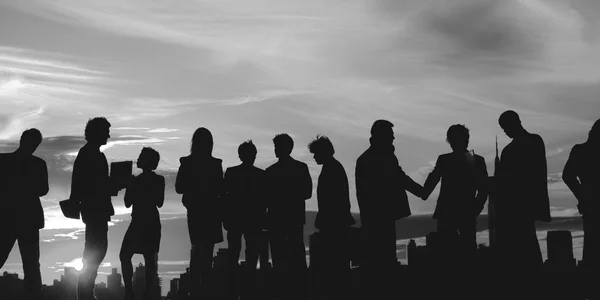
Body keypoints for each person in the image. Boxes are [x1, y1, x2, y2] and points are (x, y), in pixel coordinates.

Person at [355, 119, 424, 297]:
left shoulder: (372, 158)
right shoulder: (379, 158)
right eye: (390, 134)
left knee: (381, 260)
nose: (394, 138)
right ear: (381, 136)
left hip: (377, 218)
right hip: (380, 218)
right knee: (382, 261)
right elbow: (399, 178)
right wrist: (421, 192)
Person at [71, 117, 124, 300]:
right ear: (98, 132)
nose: (109, 135)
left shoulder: (88, 153)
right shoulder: (92, 155)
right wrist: (116, 183)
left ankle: (86, 292)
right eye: (106, 131)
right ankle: (85, 293)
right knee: (96, 250)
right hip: (95, 208)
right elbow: (96, 185)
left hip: (92, 208)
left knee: (95, 249)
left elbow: (83, 183)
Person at [421, 124, 489, 264]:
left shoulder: (445, 160)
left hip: (448, 212)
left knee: (447, 254)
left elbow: (431, 183)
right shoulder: (477, 160)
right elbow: (483, 189)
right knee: (467, 252)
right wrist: (475, 209)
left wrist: (421, 191)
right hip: (465, 212)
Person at [495, 110, 550, 271]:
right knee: (528, 242)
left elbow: (504, 181)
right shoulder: (535, 141)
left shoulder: (511, 150)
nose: (505, 131)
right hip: (529, 202)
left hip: (516, 205)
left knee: (522, 245)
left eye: (505, 127)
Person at [175, 127, 224, 298]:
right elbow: (221, 189)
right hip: (209, 211)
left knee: (197, 249)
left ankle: (197, 288)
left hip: (197, 211)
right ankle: (203, 288)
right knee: (205, 251)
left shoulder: (188, 163)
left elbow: (179, 187)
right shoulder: (215, 164)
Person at [0, 129, 48, 300]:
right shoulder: (38, 164)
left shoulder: (4, 161)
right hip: (23, 219)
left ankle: (34, 294)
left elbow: (43, 189)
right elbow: (43, 189)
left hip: (10, 217)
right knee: (31, 264)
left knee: (30, 264)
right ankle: (33, 295)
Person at [265, 133, 312, 300]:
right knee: (294, 259)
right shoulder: (300, 168)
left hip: (280, 222)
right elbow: (306, 193)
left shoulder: (270, 172)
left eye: (278, 147)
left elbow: (265, 198)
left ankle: (285, 293)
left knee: (282, 260)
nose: (276, 150)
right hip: (292, 220)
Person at [307, 135, 355, 300]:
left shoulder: (332, 169)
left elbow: (332, 200)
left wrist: (324, 220)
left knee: (335, 267)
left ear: (324, 151)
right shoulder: (333, 167)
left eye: (316, 153)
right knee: (336, 267)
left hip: (334, 226)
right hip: (334, 224)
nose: (314, 156)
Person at [222, 140, 266, 300]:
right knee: (250, 257)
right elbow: (264, 200)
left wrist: (225, 218)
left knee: (234, 256)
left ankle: (234, 291)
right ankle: (248, 291)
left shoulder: (231, 172)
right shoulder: (261, 175)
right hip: (253, 221)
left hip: (235, 220)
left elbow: (224, 197)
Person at [120, 147, 165, 300]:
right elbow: (127, 203)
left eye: (141, 156)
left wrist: (134, 186)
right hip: (143, 220)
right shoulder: (147, 180)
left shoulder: (156, 180)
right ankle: (132, 291)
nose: (138, 159)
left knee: (147, 257)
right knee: (138, 256)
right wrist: (130, 184)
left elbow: (159, 201)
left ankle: (139, 292)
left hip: (145, 221)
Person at [562, 118, 600, 299]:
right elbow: (567, 175)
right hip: (592, 206)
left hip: (590, 206)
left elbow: (567, 175)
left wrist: (582, 195)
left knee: (592, 249)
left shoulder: (580, 151)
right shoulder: (581, 151)